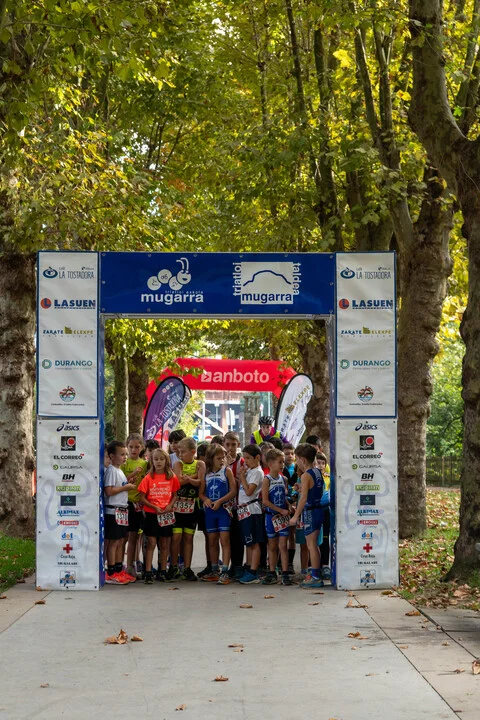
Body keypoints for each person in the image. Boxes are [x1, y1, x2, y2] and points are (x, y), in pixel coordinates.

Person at [137, 448, 180, 584]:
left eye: (161, 459)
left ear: (166, 461)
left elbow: (175, 495)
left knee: (164, 543)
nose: (159, 462)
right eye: (156, 459)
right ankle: (148, 572)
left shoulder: (171, 476)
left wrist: (170, 505)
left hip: (166, 514)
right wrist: (154, 507)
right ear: (152, 461)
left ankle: (162, 571)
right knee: (151, 542)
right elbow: (141, 497)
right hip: (152, 514)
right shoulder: (148, 477)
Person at [199, 444, 236, 584]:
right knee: (212, 540)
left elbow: (233, 491)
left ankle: (225, 571)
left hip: (223, 510)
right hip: (210, 511)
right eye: (218, 458)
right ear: (211, 458)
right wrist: (205, 499)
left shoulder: (227, 471)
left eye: (223, 457)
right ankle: (214, 570)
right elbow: (201, 493)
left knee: (224, 540)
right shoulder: (206, 473)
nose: (221, 460)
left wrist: (220, 501)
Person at [290, 443, 325, 588]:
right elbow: (313, 490)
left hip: (310, 512)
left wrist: (295, 516)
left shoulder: (305, 475)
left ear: (303, 460)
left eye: (297, 459)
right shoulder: (317, 472)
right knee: (314, 545)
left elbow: (303, 498)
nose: (296, 462)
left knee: (311, 545)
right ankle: (316, 572)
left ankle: (315, 577)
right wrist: (301, 488)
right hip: (318, 509)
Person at [171, 437, 205, 581]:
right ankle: (173, 567)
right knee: (176, 537)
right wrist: (194, 476)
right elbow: (178, 482)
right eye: (179, 452)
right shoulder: (178, 464)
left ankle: (187, 568)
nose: (180, 454)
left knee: (188, 538)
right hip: (177, 506)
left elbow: (200, 483)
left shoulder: (200, 463)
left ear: (193, 451)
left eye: (183, 452)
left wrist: (190, 479)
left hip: (193, 506)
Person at [103, 440, 137, 585]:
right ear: (112, 456)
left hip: (121, 510)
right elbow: (109, 491)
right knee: (114, 542)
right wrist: (125, 488)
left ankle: (118, 569)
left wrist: (127, 484)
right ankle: (111, 572)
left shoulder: (119, 470)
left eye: (126, 454)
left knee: (120, 541)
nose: (125, 457)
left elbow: (119, 486)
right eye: (122, 454)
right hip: (113, 510)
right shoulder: (111, 471)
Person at [262, 448, 292, 586]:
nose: (282, 465)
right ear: (271, 464)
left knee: (283, 545)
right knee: (272, 546)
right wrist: (280, 510)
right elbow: (265, 501)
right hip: (271, 517)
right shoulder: (266, 480)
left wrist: (288, 506)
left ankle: (285, 573)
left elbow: (284, 496)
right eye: (280, 462)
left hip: (283, 517)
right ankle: (272, 571)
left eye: (283, 462)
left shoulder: (284, 479)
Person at [237, 444, 265, 584]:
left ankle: (253, 571)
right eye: (244, 458)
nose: (245, 461)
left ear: (257, 457)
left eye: (248, 458)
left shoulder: (257, 472)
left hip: (252, 510)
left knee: (254, 542)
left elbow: (249, 492)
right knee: (248, 542)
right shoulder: (250, 471)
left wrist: (242, 477)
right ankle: (248, 566)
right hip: (244, 510)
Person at [121, 433, 148, 579]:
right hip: (125, 503)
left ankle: (131, 566)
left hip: (139, 504)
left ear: (142, 447)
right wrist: (133, 474)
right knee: (122, 537)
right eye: (131, 447)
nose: (133, 450)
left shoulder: (144, 464)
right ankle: (120, 565)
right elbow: (120, 481)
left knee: (134, 537)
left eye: (137, 447)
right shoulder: (124, 463)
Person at [223, 431, 245, 580]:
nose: (230, 448)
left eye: (233, 444)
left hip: (238, 506)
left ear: (238, 445)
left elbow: (242, 484)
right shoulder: (219, 462)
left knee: (238, 537)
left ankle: (237, 566)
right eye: (227, 444)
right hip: (224, 507)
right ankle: (229, 565)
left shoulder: (242, 462)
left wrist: (232, 475)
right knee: (227, 538)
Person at [283, 442, 298, 573]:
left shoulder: (297, 468)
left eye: (292, 453)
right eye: (287, 453)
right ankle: (280, 562)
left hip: (295, 506)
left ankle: (290, 563)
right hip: (283, 506)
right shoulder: (280, 468)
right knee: (283, 535)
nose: (290, 456)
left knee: (292, 535)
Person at [316, 451, 331, 581]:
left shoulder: (329, 478)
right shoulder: (309, 476)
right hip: (314, 511)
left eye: (323, 463)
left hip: (325, 511)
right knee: (314, 540)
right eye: (318, 463)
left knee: (325, 539)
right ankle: (313, 567)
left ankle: (325, 566)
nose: (320, 465)